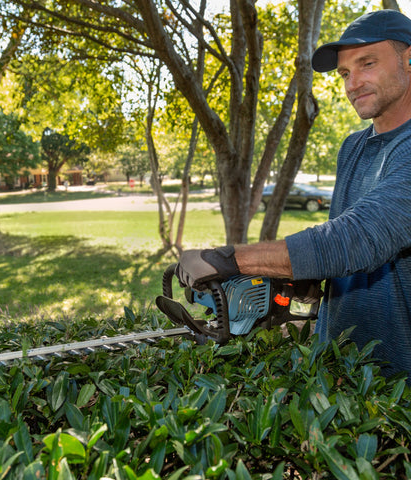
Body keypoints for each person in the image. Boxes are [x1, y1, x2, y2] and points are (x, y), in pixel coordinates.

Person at [175, 9, 411, 380]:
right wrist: (306, 277)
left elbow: (364, 236)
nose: (352, 84)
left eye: (367, 64)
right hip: (335, 363)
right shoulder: (353, 147)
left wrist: (231, 259)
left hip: (396, 385)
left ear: (409, 59)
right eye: (345, 73)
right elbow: (342, 231)